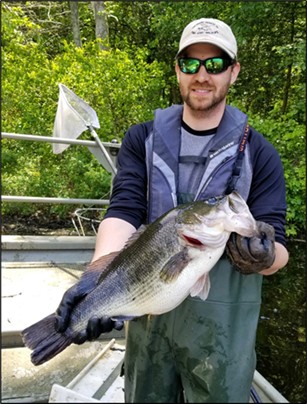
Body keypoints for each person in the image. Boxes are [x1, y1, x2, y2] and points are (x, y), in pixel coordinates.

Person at [55, 18, 289, 402]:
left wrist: (264, 256)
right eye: (190, 63)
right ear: (177, 70)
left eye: (215, 64)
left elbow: (278, 249)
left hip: (223, 340)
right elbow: (124, 209)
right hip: (148, 326)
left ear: (234, 71)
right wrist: (94, 281)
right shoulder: (141, 138)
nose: (202, 74)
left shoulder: (261, 154)